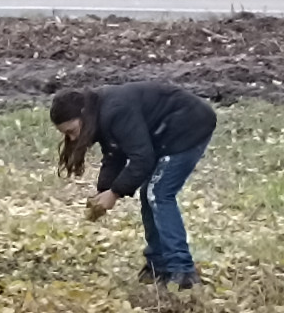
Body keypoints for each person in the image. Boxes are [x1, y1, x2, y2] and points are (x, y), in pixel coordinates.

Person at [50, 81, 217, 290]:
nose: (72, 138)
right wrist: (103, 191)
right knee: (151, 193)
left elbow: (142, 159)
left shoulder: (115, 111)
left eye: (73, 130)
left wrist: (115, 192)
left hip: (189, 125)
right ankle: (158, 266)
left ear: (83, 114)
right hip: (165, 131)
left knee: (158, 193)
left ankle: (182, 272)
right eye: (67, 134)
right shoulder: (99, 113)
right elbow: (114, 153)